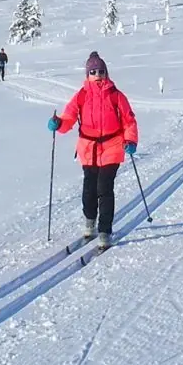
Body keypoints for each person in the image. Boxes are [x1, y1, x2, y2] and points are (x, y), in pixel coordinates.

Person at [47, 52, 140, 250]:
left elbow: (129, 121)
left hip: (112, 146)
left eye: (101, 71)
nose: (97, 75)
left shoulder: (116, 95)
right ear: (87, 74)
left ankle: (105, 230)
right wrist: (58, 123)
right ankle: (90, 220)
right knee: (89, 188)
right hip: (88, 148)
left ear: (106, 73)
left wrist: (130, 140)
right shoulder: (82, 95)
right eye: (93, 72)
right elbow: (69, 117)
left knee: (104, 188)